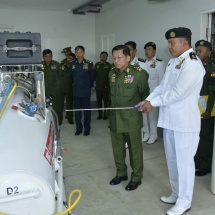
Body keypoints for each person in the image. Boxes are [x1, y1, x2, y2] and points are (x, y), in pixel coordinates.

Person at [137, 27, 205, 215]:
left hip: (184, 123)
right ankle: (176, 193)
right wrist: (148, 99)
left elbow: (177, 93)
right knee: (173, 161)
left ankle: (185, 201)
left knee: (184, 164)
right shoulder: (174, 62)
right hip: (170, 121)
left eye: (172, 43)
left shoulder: (192, 64)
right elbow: (162, 87)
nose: (169, 46)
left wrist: (154, 103)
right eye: (168, 42)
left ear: (185, 43)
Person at [109, 45, 149, 191]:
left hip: (131, 120)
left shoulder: (139, 74)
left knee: (135, 150)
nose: (116, 61)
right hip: (115, 118)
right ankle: (121, 173)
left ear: (128, 57)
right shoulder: (111, 73)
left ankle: (136, 177)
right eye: (113, 58)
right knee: (117, 149)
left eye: (119, 57)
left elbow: (145, 96)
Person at [194, 40, 215, 176]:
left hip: (206, 106)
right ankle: (197, 160)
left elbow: (213, 91)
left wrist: (208, 110)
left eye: (200, 50)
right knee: (196, 135)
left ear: (209, 52)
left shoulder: (211, 67)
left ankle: (206, 165)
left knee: (206, 137)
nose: (197, 53)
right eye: (196, 50)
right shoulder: (196, 65)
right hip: (195, 105)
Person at [142, 42, 165, 144]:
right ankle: (146, 133)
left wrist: (159, 97)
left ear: (154, 51)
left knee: (152, 116)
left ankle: (153, 135)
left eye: (150, 49)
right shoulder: (142, 63)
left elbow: (161, 81)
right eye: (146, 49)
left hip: (153, 95)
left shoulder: (159, 63)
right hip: (143, 94)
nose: (147, 51)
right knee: (144, 115)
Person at [70, 45, 94, 136]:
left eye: (80, 52)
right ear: (75, 53)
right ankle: (79, 128)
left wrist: (89, 87)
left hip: (85, 92)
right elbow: (71, 77)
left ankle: (87, 128)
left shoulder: (89, 63)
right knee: (77, 111)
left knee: (87, 111)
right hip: (76, 91)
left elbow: (92, 78)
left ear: (84, 53)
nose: (78, 54)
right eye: (77, 52)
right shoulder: (72, 64)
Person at [41, 49, 61, 124]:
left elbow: (60, 77)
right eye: (46, 57)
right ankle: (47, 123)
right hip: (44, 91)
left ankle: (58, 122)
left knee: (57, 108)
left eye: (50, 56)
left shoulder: (56, 65)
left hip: (55, 91)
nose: (48, 58)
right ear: (43, 57)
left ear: (52, 56)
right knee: (44, 108)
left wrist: (59, 87)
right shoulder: (40, 65)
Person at [59, 52, 76, 124]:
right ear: (67, 57)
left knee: (70, 104)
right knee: (60, 105)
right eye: (69, 58)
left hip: (70, 88)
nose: (70, 60)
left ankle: (70, 118)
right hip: (61, 88)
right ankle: (59, 119)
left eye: (72, 59)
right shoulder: (61, 65)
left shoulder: (74, 66)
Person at [95, 51, 112, 120]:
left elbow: (110, 76)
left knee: (105, 101)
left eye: (105, 56)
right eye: (102, 55)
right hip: (98, 87)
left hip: (105, 87)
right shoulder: (96, 65)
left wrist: (107, 85)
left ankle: (105, 114)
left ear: (107, 57)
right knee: (99, 101)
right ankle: (100, 114)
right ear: (100, 56)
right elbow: (94, 75)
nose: (103, 57)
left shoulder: (109, 65)